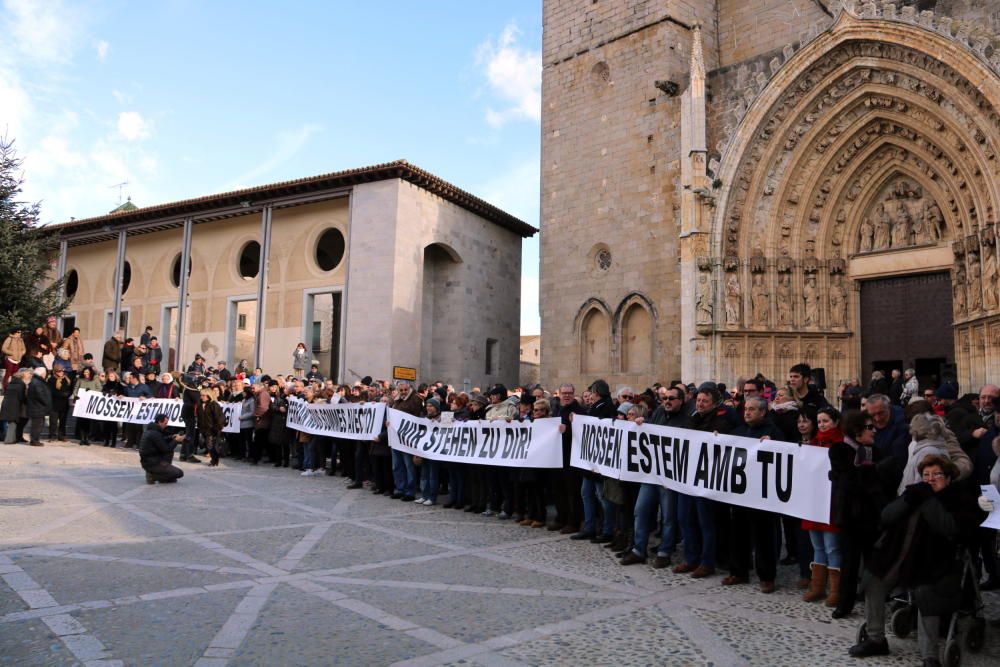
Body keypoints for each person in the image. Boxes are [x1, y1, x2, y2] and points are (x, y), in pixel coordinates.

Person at [848, 455, 985, 664]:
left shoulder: (957, 499)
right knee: (874, 580)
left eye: (937, 474)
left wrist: (928, 500)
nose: (930, 479)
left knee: (926, 592)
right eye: (926, 475)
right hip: (900, 557)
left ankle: (929, 655)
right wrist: (908, 500)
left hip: (936, 563)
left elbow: (948, 526)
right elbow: (886, 516)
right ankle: (876, 639)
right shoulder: (914, 493)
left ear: (948, 478)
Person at [830, 409, 887, 619]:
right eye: (869, 427)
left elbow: (879, 482)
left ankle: (874, 601)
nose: (874, 431)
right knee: (850, 562)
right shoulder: (839, 450)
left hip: (872, 517)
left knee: (873, 563)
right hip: (851, 516)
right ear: (857, 431)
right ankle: (845, 603)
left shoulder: (875, 450)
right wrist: (871, 472)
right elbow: (847, 480)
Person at [725, 396, 785, 593]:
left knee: (764, 536)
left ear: (762, 412)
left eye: (752, 409)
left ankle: (767, 577)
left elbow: (786, 451)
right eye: (745, 409)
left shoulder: (773, 431)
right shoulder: (739, 431)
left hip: (762, 494)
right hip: (741, 491)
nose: (747, 412)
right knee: (738, 533)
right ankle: (739, 571)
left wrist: (774, 443)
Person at [802, 406, 843, 606]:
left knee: (832, 547)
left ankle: (836, 590)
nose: (822, 425)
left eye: (825, 421)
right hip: (814, 500)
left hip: (831, 502)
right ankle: (817, 586)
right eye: (819, 422)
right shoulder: (813, 443)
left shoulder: (841, 444)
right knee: (817, 545)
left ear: (835, 422)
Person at [139, 414, 185, 484]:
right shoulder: (155, 433)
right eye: (165, 423)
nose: (166, 425)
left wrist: (172, 437)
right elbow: (166, 449)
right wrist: (176, 440)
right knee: (179, 473)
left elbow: (161, 440)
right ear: (160, 422)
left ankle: (163, 474)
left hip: (149, 460)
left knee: (170, 453)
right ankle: (153, 476)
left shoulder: (152, 430)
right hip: (152, 463)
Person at [71, 367, 102, 445]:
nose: (86, 374)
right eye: (85, 372)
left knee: (88, 422)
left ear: (90, 373)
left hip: (90, 403)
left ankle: (87, 438)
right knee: (81, 421)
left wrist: (91, 392)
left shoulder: (95, 380)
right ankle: (82, 438)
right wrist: (76, 395)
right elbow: (75, 388)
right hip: (81, 402)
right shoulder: (80, 380)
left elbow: (99, 388)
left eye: (87, 372)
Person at [1, 367, 31, 443]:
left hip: (7, 404)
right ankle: (9, 440)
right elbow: (21, 397)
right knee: (13, 423)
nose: (29, 374)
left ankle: (14, 438)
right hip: (14, 405)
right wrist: (27, 401)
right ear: (23, 374)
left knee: (13, 422)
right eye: (27, 373)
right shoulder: (21, 384)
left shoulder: (12, 382)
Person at [197, 388, 225, 467]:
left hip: (213, 429)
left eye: (203, 395)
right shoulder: (200, 404)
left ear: (209, 396)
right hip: (204, 428)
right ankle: (214, 460)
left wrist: (216, 428)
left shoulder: (214, 405)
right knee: (208, 445)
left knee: (211, 445)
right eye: (201, 395)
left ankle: (214, 460)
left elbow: (220, 418)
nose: (201, 397)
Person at [26, 367, 52, 447]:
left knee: (38, 425)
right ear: (42, 374)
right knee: (37, 425)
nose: (45, 375)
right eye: (45, 373)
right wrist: (47, 402)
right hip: (37, 407)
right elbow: (40, 394)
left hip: (37, 407)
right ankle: (34, 440)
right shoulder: (37, 382)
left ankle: (35, 440)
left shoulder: (36, 380)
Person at [47, 366, 73, 441]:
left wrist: (68, 394)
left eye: (62, 371)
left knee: (63, 421)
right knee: (53, 421)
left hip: (64, 403)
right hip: (54, 403)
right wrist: (61, 394)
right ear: (55, 372)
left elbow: (70, 389)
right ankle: (52, 435)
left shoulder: (67, 379)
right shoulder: (51, 379)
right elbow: (50, 391)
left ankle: (61, 435)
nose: (61, 372)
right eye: (59, 371)